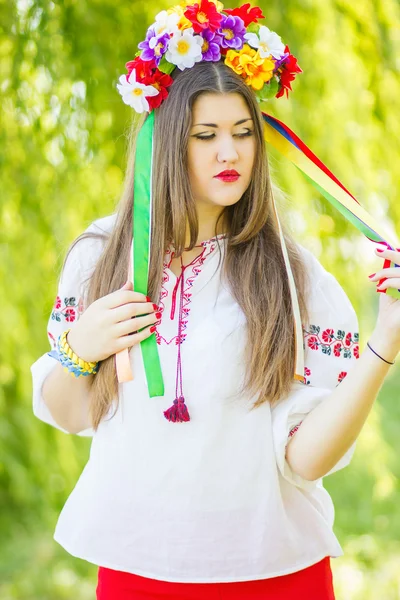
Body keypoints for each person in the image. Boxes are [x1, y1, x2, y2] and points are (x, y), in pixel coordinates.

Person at [30, 2, 400, 599]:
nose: (230, 153)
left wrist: (386, 339)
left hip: (275, 573)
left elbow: (306, 461)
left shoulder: (291, 271)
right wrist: (80, 347)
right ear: (166, 142)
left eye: (243, 133)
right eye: (206, 135)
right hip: (138, 569)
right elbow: (70, 414)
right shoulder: (101, 256)